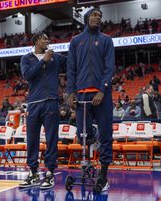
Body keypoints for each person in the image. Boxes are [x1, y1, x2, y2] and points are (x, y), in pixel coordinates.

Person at [67, 8, 115, 192]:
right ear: (87, 18)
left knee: (105, 135)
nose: (98, 18)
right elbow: (71, 69)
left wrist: (102, 90)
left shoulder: (106, 40)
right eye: (94, 15)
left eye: (100, 16)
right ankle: (88, 163)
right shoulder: (76, 42)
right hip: (81, 96)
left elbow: (109, 68)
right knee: (82, 134)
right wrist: (70, 92)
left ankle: (103, 174)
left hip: (101, 96)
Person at [19, 32, 66, 189]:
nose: (48, 41)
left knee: (52, 139)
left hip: (51, 102)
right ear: (37, 41)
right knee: (32, 139)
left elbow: (73, 62)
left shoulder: (56, 57)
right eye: (45, 39)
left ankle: (50, 173)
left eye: (48, 39)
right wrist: (43, 62)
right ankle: (33, 173)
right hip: (33, 103)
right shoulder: (26, 58)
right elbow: (27, 75)